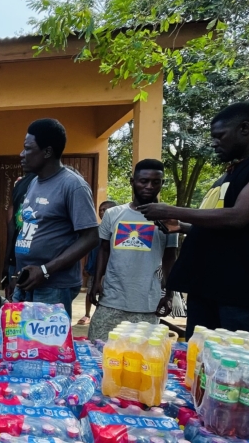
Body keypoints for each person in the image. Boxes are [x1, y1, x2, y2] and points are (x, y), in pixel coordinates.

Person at [140, 102, 249, 338]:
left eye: (220, 136)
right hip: (206, 289)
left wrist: (173, 209)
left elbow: (238, 217)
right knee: (198, 362)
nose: (214, 143)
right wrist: (181, 226)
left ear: (245, 128)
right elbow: (218, 227)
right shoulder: (229, 173)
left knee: (230, 369)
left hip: (241, 295)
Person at [12, 118, 99, 319]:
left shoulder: (73, 185)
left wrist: (45, 270)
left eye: (27, 148)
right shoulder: (34, 182)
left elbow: (91, 237)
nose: (22, 154)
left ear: (47, 152)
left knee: (47, 348)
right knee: (24, 347)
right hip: (27, 282)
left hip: (53, 286)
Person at [87, 161, 178, 341]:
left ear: (162, 183)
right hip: (110, 300)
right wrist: (96, 281)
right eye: (143, 181)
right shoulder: (113, 214)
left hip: (147, 303)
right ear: (132, 181)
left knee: (141, 358)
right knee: (98, 350)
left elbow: (170, 258)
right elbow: (103, 250)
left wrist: (169, 294)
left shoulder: (169, 218)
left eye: (156, 182)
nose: (149, 187)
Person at [78, 199, 117, 325]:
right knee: (91, 291)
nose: (102, 212)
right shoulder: (96, 230)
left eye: (106, 210)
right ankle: (87, 314)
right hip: (94, 268)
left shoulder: (118, 230)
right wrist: (87, 266)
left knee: (107, 294)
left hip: (110, 270)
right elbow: (91, 250)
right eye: (100, 210)